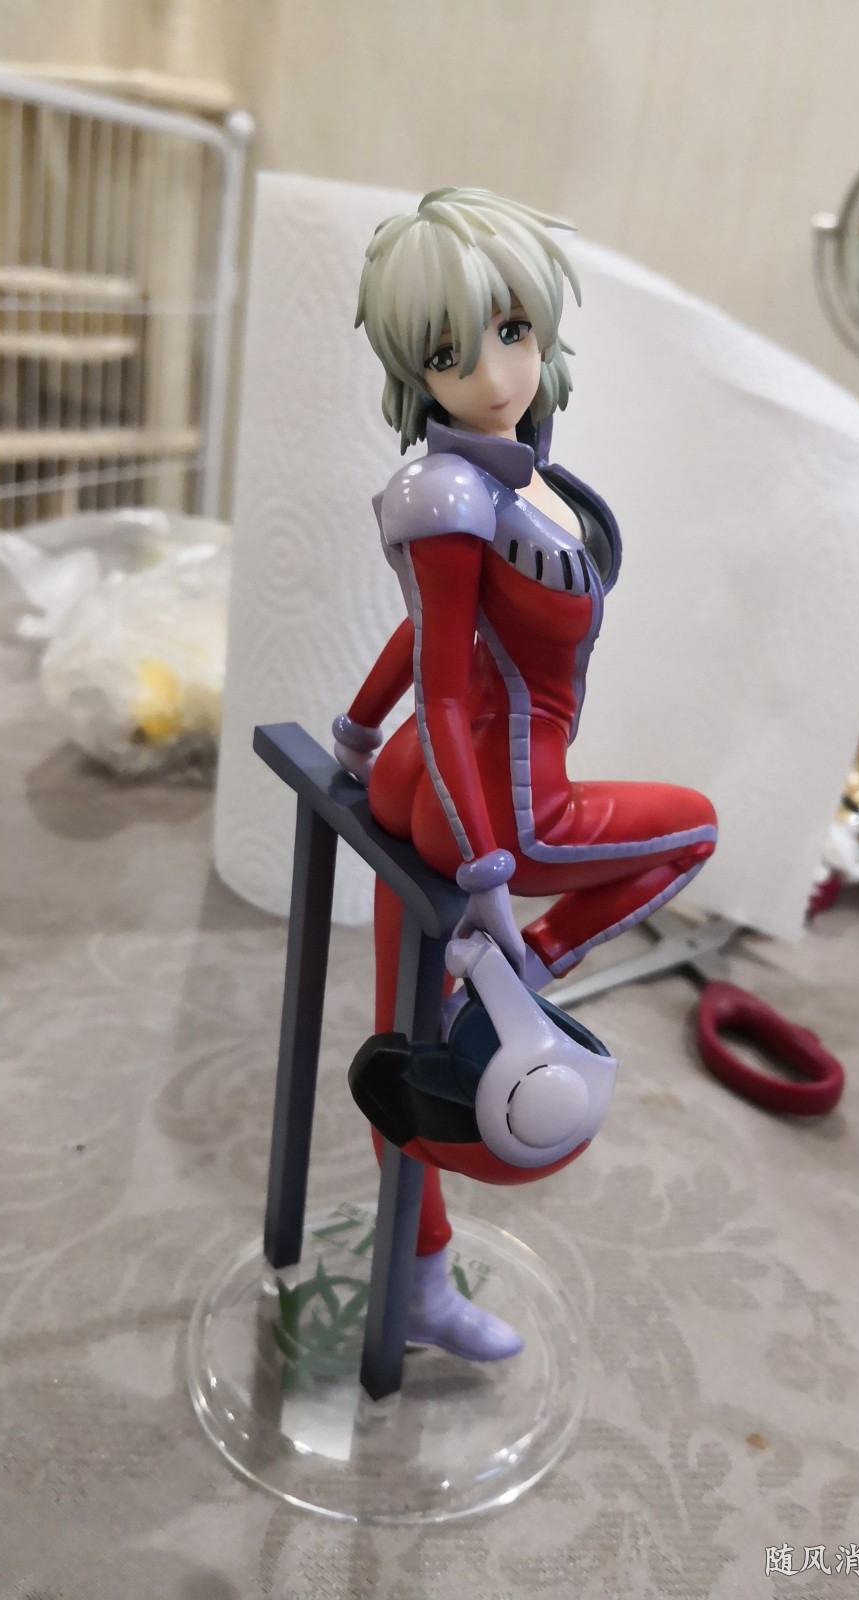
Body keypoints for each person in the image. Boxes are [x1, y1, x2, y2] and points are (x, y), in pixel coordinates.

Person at [334, 187, 717, 1360]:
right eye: (451, 353)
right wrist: (496, 880)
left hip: (428, 778)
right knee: (696, 830)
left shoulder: (514, 478)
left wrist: (358, 728)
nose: (495, 373)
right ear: (416, 371)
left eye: (512, 331)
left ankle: (419, 1283)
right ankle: (536, 968)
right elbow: (448, 679)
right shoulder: (455, 494)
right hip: (497, 803)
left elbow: (425, 644)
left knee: (403, 1047)